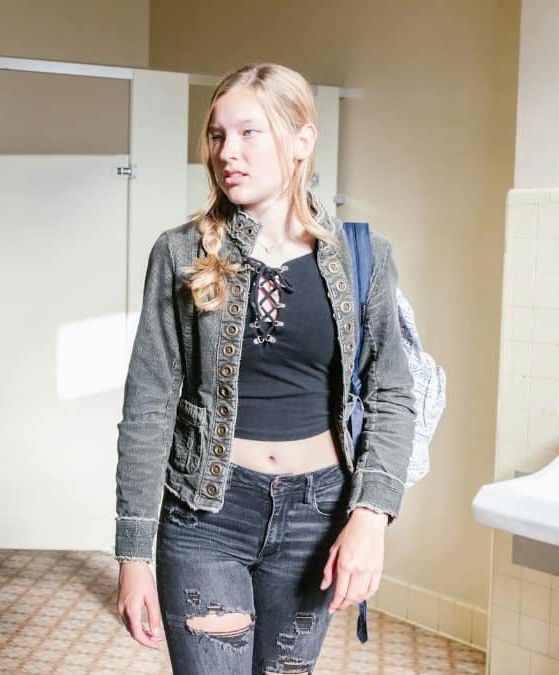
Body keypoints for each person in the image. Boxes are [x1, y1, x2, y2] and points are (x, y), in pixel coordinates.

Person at [114, 63, 415, 674]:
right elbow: (149, 404)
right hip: (205, 515)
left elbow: (392, 393)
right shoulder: (180, 252)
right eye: (218, 135)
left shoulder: (364, 257)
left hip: (319, 517)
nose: (229, 152)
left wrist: (371, 515)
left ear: (302, 141)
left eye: (249, 132)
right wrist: (132, 555)